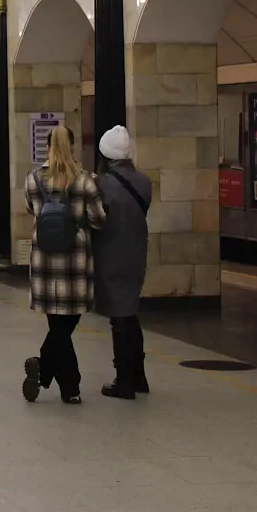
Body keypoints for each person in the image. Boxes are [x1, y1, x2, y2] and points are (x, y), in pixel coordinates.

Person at [22, 125, 105, 405]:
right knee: (65, 326)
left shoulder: (33, 179)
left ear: (48, 148)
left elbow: (32, 209)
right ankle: (61, 382)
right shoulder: (84, 181)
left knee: (57, 325)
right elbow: (99, 219)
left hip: (44, 262)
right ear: (72, 147)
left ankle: (57, 378)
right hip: (75, 262)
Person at [93, 125, 152, 399]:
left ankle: (124, 380)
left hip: (111, 254)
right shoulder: (144, 182)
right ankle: (139, 375)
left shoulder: (102, 185)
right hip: (137, 253)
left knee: (119, 318)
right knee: (130, 313)